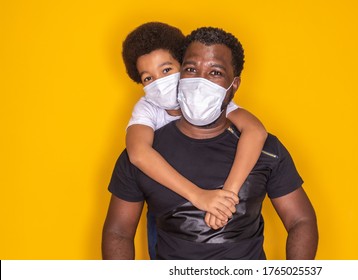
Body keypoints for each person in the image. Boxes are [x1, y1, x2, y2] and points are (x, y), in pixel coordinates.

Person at [102, 26, 318, 259]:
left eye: (215, 73)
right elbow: (119, 231)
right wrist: (198, 196)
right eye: (192, 69)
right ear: (182, 74)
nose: (200, 83)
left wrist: (229, 193)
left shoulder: (264, 147)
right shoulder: (146, 132)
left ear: (233, 85)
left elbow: (300, 220)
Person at [120, 22, 268, 258]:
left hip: (218, 200)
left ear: (184, 65)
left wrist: (228, 195)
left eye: (167, 70)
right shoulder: (147, 108)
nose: (159, 82)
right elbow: (138, 153)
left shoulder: (208, 97)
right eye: (148, 78)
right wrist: (198, 196)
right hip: (170, 204)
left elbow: (256, 131)